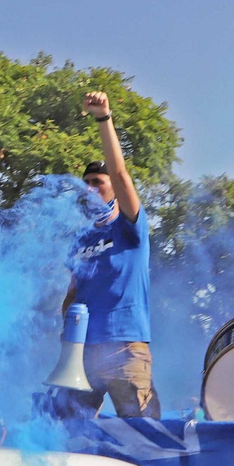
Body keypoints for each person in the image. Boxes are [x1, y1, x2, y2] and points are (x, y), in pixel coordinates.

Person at [62, 91, 159, 419]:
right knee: (67, 434)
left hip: (125, 348)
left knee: (145, 437)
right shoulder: (80, 239)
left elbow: (121, 176)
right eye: (86, 183)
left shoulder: (129, 226)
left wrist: (103, 119)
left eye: (97, 182)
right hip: (85, 353)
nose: (90, 188)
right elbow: (72, 294)